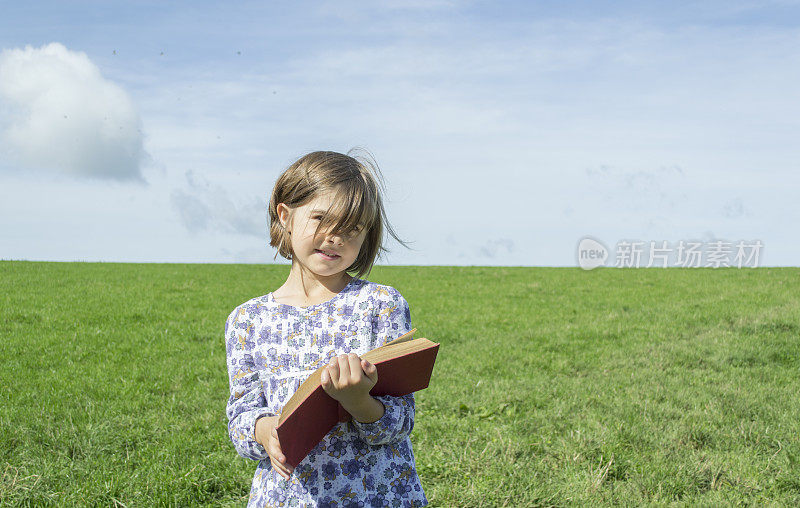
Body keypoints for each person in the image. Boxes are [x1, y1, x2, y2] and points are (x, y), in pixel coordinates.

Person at [224, 150, 428, 507]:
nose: (335, 237)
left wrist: (357, 401)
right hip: (289, 496)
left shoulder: (380, 305)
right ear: (285, 216)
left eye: (352, 228)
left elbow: (400, 421)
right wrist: (264, 430)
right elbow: (241, 417)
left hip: (375, 494)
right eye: (320, 218)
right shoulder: (247, 321)